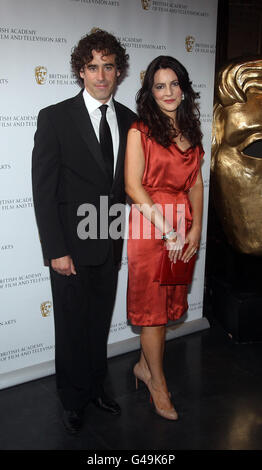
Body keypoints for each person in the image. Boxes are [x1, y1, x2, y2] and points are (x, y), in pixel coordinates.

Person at [32, 30, 136, 434]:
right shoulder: (55, 117)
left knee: (97, 325)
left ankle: (96, 388)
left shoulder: (129, 120)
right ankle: (72, 398)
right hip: (70, 247)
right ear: (81, 71)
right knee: (72, 326)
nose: (101, 75)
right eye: (93, 66)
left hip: (109, 242)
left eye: (108, 66)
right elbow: (43, 190)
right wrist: (56, 249)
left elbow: (125, 186)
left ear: (118, 70)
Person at [125, 55, 204, 420]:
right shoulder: (140, 131)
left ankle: (144, 366)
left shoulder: (192, 131)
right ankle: (158, 384)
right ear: (150, 92)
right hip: (151, 225)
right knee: (153, 314)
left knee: (168, 307)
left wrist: (196, 226)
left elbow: (196, 183)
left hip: (181, 229)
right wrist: (168, 228)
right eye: (160, 86)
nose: (169, 92)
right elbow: (133, 186)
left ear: (184, 89)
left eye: (175, 84)